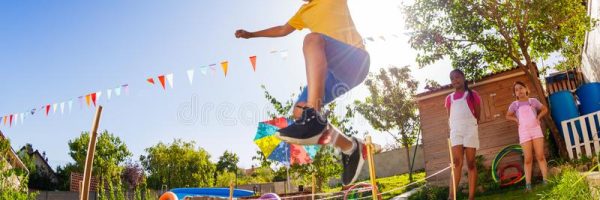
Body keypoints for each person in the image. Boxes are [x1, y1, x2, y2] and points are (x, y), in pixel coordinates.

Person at [235, 0, 370, 185]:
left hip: (354, 60)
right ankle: (351, 148)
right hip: (333, 74)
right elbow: (282, 29)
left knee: (312, 39)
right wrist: (251, 35)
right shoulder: (303, 12)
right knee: (299, 111)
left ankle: (314, 116)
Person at [505, 81, 549, 192]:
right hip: (524, 132)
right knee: (528, 159)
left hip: (536, 130)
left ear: (526, 89)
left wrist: (538, 117)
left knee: (540, 156)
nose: (519, 91)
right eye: (516, 90)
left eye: (521, 88)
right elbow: (508, 116)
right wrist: (516, 119)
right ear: (515, 93)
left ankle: (546, 181)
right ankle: (528, 185)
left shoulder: (532, 101)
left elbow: (544, 109)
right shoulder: (514, 105)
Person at [446, 69, 481, 200]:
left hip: (470, 129)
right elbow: (449, 117)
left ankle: (471, 198)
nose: (455, 80)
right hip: (456, 131)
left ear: (463, 77)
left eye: (457, 77)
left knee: (471, 163)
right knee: (456, 162)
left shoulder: (473, 95)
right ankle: (451, 197)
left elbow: (478, 115)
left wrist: (470, 125)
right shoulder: (449, 99)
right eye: (452, 78)